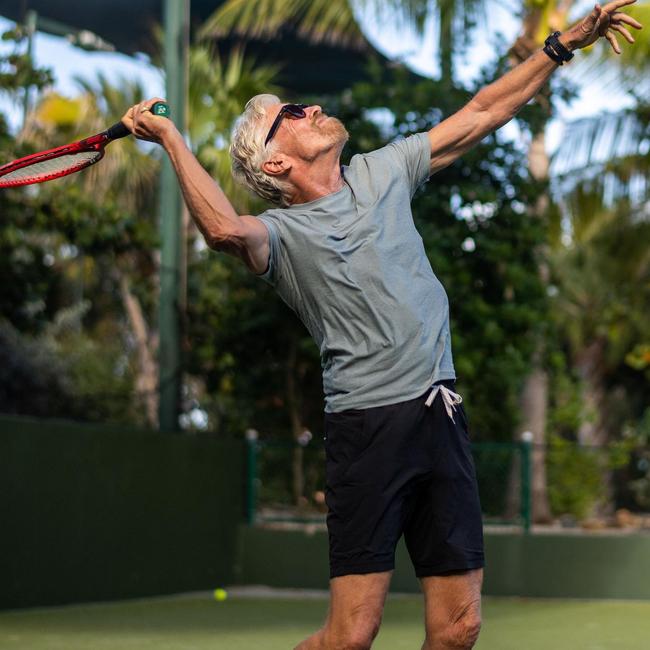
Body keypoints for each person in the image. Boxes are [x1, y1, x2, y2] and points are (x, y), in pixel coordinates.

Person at [122, 3, 642, 648]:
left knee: (458, 629)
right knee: (350, 636)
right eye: (289, 115)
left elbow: (481, 113)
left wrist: (564, 44)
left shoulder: (383, 170)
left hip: (440, 413)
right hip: (368, 428)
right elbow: (225, 228)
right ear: (275, 165)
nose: (308, 109)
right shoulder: (280, 235)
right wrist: (172, 139)